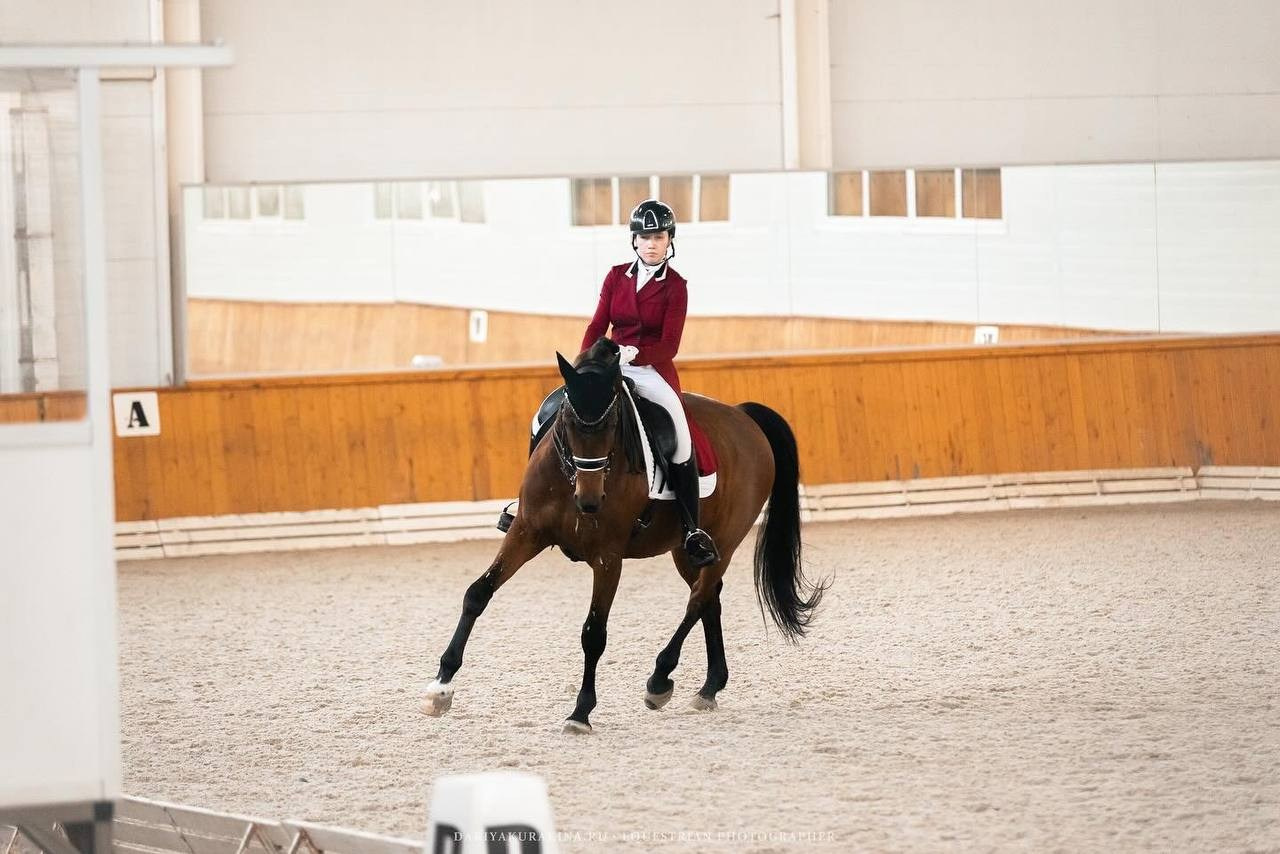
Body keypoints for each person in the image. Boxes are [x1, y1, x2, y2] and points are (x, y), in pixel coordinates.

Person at [579, 199, 719, 568]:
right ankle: (524, 502)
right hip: (609, 365)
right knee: (560, 410)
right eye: (644, 237)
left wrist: (634, 354)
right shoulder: (614, 276)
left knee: (680, 433)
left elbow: (670, 344)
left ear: (669, 239)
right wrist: (587, 361)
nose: (651, 243)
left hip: (652, 369)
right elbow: (597, 325)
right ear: (634, 241)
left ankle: (691, 528)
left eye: (658, 236)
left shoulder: (676, 287)